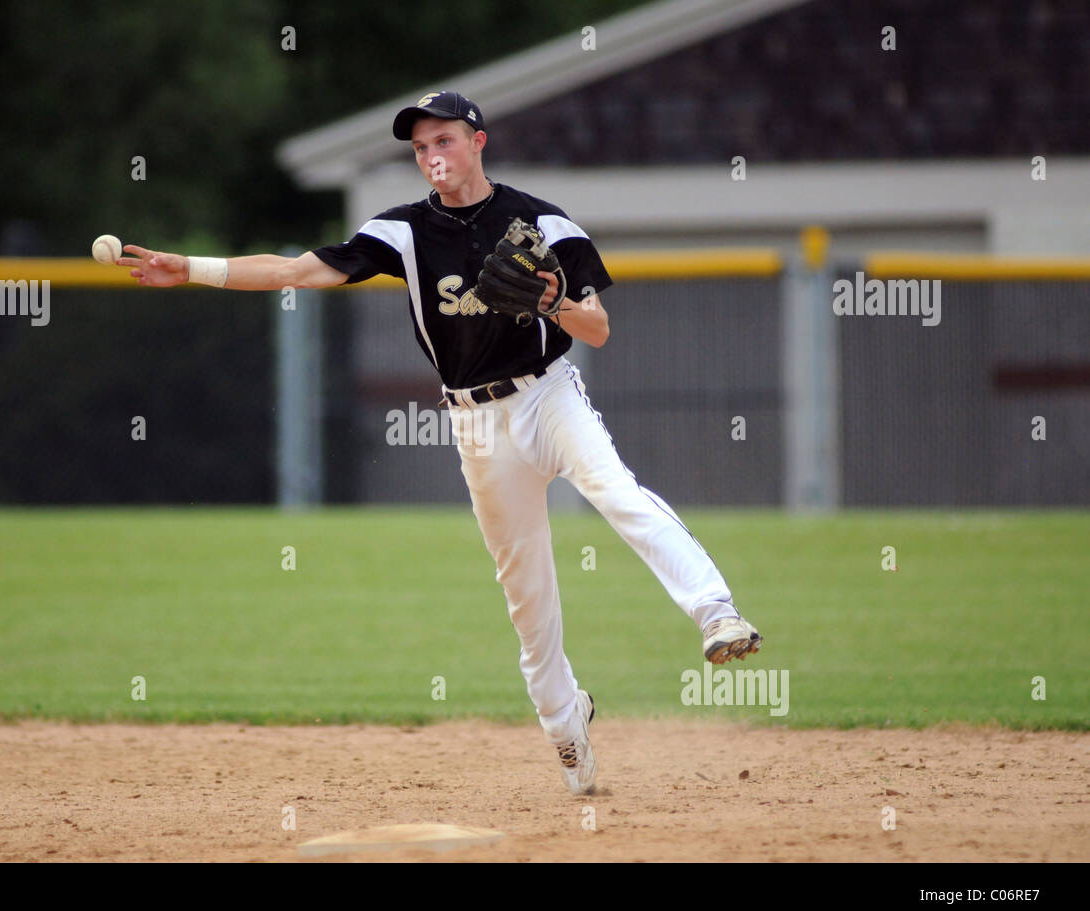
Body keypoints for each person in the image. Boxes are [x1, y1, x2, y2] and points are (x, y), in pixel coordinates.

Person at [117, 91, 762, 796]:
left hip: (547, 395)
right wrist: (193, 267)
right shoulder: (401, 233)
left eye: (444, 140)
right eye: (421, 147)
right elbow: (298, 270)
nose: (432, 157)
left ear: (478, 140)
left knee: (614, 488)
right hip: (476, 424)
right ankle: (564, 721)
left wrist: (552, 302)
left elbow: (599, 328)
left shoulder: (543, 223)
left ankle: (715, 610)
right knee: (526, 593)